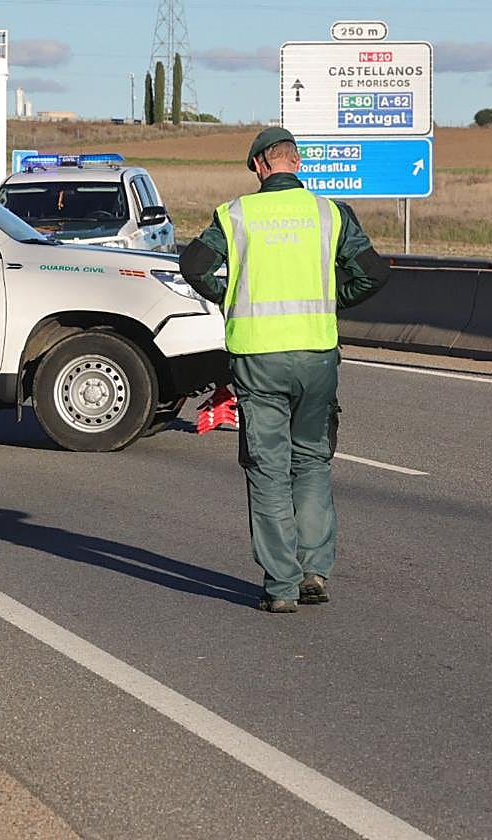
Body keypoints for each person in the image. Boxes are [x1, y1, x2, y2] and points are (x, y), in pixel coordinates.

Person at [178, 127, 390, 613]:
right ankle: (315, 570)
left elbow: (193, 266)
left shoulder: (236, 215)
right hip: (316, 355)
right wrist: (333, 299)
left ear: (259, 165)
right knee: (312, 461)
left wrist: (229, 295)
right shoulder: (330, 213)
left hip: (258, 358)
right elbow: (374, 273)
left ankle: (281, 585)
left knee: (268, 468)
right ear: (296, 162)